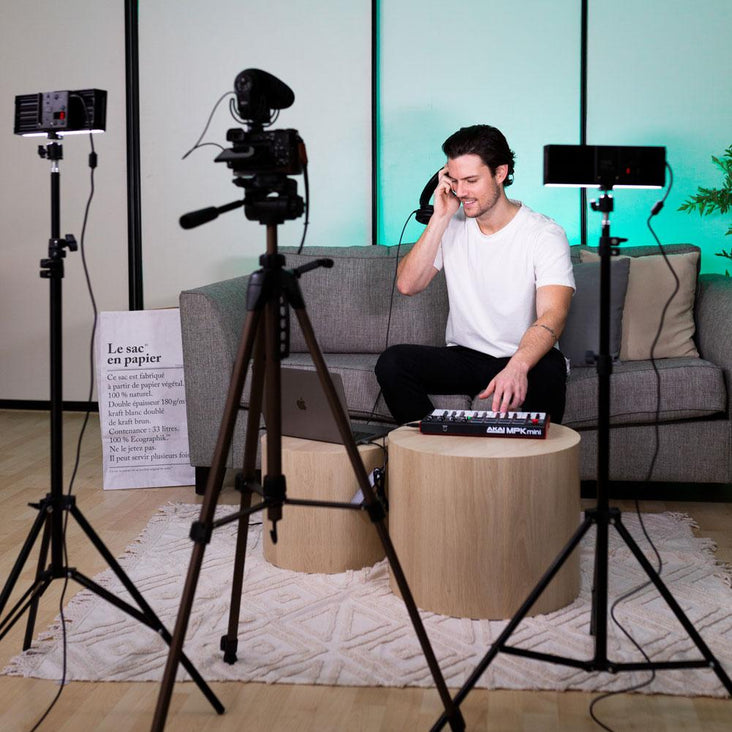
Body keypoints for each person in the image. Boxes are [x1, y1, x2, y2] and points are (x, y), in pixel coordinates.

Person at [375, 124, 575, 425]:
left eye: (471, 180)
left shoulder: (544, 233)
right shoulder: (451, 223)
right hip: (466, 357)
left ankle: (532, 455)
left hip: (524, 355)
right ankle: (436, 444)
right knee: (393, 362)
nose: (461, 191)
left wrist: (518, 366)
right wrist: (440, 216)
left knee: (549, 369)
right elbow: (407, 284)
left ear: (500, 173)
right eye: (454, 181)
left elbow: (553, 314)